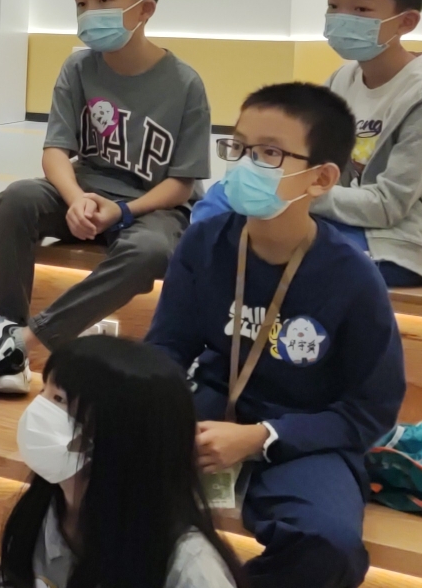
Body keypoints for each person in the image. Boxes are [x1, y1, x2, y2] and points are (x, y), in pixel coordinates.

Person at [146, 83, 405, 588]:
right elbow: (167, 347)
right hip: (210, 409)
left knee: (328, 544)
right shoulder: (205, 241)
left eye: (269, 153)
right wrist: (149, 410)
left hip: (309, 433)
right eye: (239, 147)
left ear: (321, 177)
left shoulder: (353, 277)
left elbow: (370, 409)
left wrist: (261, 437)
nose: (246, 165)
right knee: (105, 477)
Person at [0, 0, 211, 402]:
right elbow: (55, 151)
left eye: (104, 0)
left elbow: (182, 184)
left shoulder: (185, 83)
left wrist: (123, 212)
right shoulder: (77, 67)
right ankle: (5, 325)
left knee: (151, 252)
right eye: (81, 2)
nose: (90, 12)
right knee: (16, 200)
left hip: (150, 206)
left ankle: (24, 343)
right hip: (84, 188)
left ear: (145, 9)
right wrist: (75, 198)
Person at [194, 0, 422, 289]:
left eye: (360, 9)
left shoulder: (414, 94)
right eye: (334, 6)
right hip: (333, 218)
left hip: (394, 242)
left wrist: (291, 190)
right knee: (224, 199)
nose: (342, 18)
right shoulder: (342, 80)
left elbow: (388, 206)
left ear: (405, 22)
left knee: (264, 254)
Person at [0, 336, 244, 588]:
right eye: (44, 392)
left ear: (117, 433)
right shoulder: (43, 512)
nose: (39, 408)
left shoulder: (192, 569)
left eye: (58, 399)